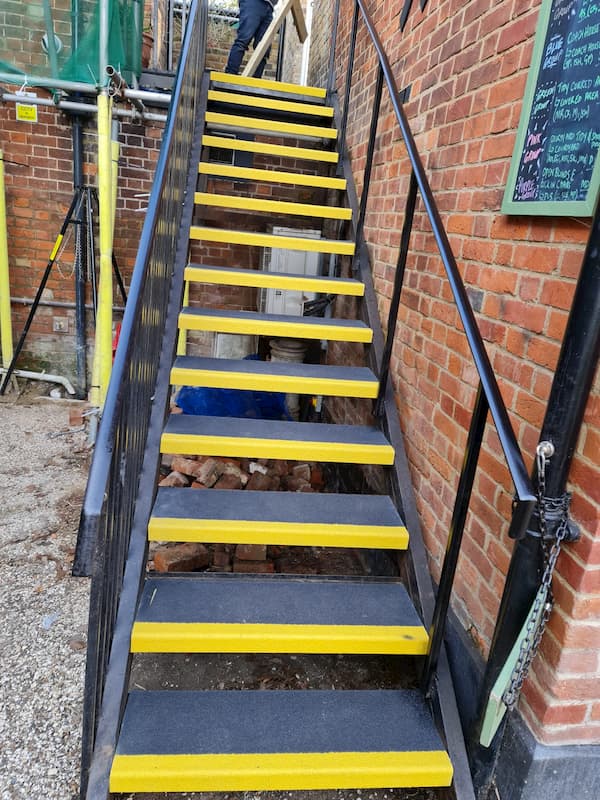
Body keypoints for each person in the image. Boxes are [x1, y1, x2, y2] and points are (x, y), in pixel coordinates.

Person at [225, 0, 276, 79]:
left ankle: (256, 81)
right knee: (243, 40)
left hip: (269, 6)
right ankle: (230, 76)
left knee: (264, 48)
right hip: (253, 2)